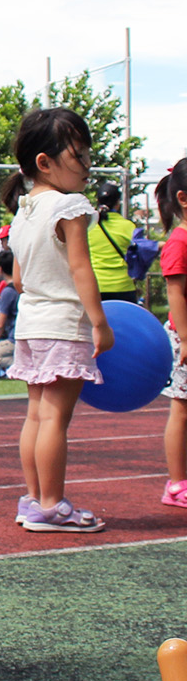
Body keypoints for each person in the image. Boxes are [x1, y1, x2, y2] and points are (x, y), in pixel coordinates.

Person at [3, 108, 114, 533]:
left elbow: (17, 278)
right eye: (79, 156)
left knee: (35, 416)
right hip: (64, 323)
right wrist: (100, 322)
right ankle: (51, 505)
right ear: (44, 163)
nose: (87, 166)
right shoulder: (69, 206)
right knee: (54, 420)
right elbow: (82, 270)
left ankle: (34, 500)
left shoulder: (25, 210)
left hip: (31, 324)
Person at [156, 159, 187, 510]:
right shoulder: (179, 242)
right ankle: (177, 483)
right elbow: (175, 294)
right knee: (181, 409)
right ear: (183, 198)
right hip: (184, 338)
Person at [87, 180, 138, 302]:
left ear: (97, 201)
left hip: (95, 286)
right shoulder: (128, 226)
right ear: (118, 203)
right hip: (124, 287)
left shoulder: (88, 226)